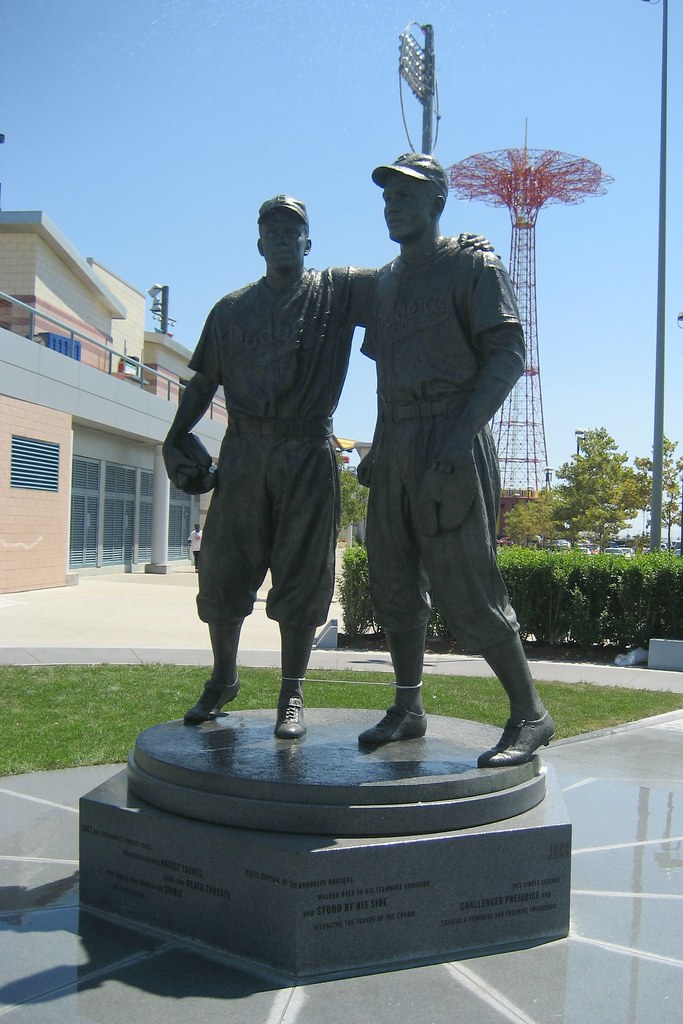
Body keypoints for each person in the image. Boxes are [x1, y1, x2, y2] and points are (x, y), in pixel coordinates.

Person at [356, 153, 554, 768]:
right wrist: (379, 446)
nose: (394, 204)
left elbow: (506, 355)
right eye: (388, 195)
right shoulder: (385, 282)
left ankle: (530, 713)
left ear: (438, 202)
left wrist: (455, 437)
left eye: (408, 195)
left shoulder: (472, 264)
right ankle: (409, 704)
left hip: (452, 439)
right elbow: (389, 373)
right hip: (396, 444)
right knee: (392, 586)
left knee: (467, 588)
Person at [163, 195, 376, 739]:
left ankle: (292, 690)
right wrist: (175, 435)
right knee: (225, 570)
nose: (283, 235)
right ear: (259, 242)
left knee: (303, 577)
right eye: (273, 228)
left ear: (308, 241)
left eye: (293, 228)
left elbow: (406, 276)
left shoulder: (337, 290)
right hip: (245, 451)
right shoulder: (230, 309)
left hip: (307, 449)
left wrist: (455, 249)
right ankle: (223, 677)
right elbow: (204, 382)